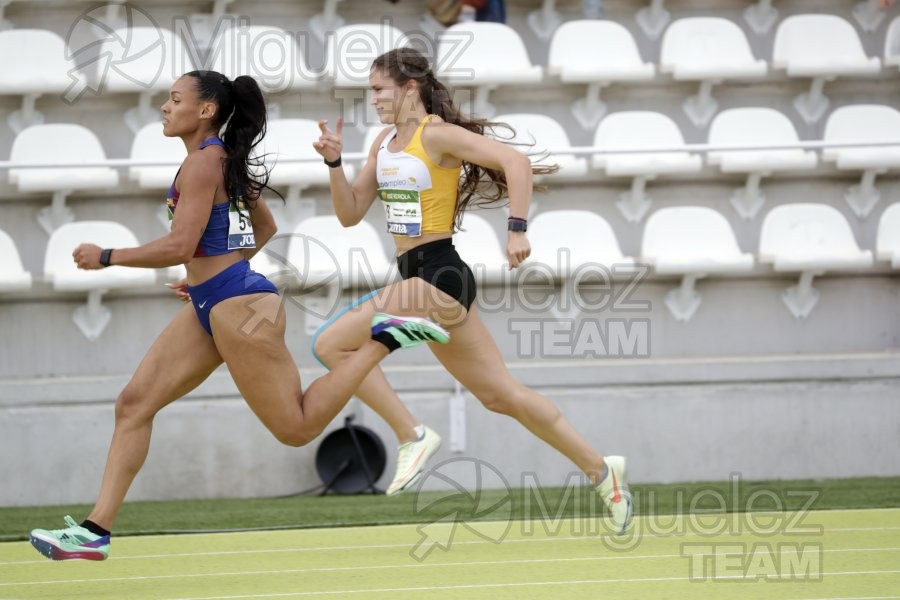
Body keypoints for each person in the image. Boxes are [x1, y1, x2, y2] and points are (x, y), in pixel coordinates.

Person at [28, 70, 451, 562]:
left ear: (205, 110)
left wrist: (107, 256)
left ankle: (383, 337)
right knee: (133, 405)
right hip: (218, 300)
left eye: (174, 99)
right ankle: (95, 531)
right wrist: (210, 277)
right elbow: (264, 227)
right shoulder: (218, 160)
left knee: (295, 427)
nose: (165, 107)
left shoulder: (204, 164)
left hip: (241, 304)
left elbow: (179, 244)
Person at [311, 48, 633, 534]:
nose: (372, 98)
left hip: (441, 276)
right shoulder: (382, 143)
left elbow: (515, 162)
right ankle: (602, 471)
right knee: (502, 396)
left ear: (409, 87)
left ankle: (411, 433)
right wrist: (334, 163)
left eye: (379, 89)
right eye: (370, 90)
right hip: (416, 281)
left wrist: (517, 229)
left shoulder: (436, 134)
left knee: (329, 344)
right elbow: (350, 213)